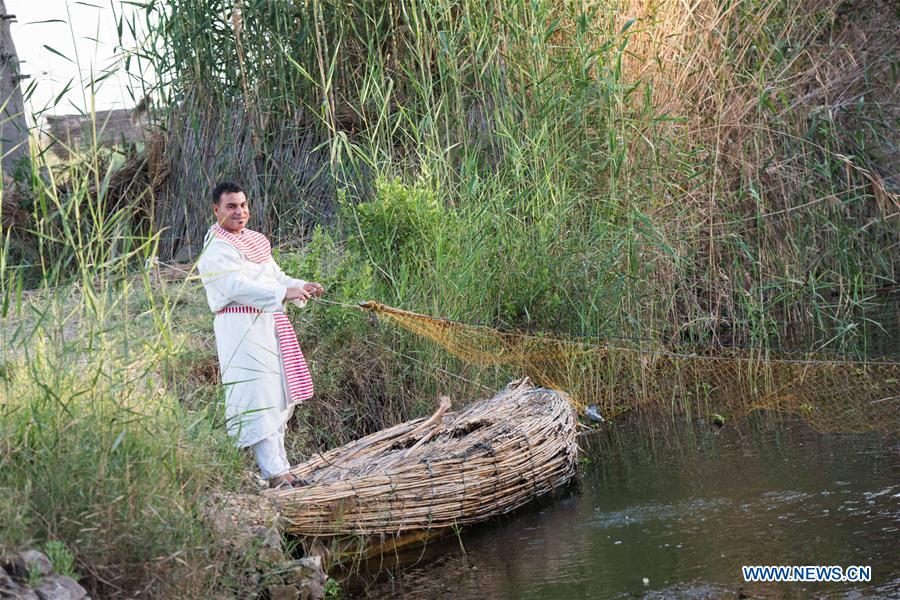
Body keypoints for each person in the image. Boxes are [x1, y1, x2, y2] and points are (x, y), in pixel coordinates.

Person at [197, 181, 324, 490]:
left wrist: (301, 285)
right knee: (259, 399)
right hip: (241, 331)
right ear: (216, 210)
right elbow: (237, 288)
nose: (239, 211)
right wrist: (284, 292)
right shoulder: (216, 248)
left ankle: (283, 471)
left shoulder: (255, 241)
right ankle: (274, 474)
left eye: (242, 205)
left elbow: (275, 277)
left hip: (270, 326)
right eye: (231, 206)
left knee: (280, 396)